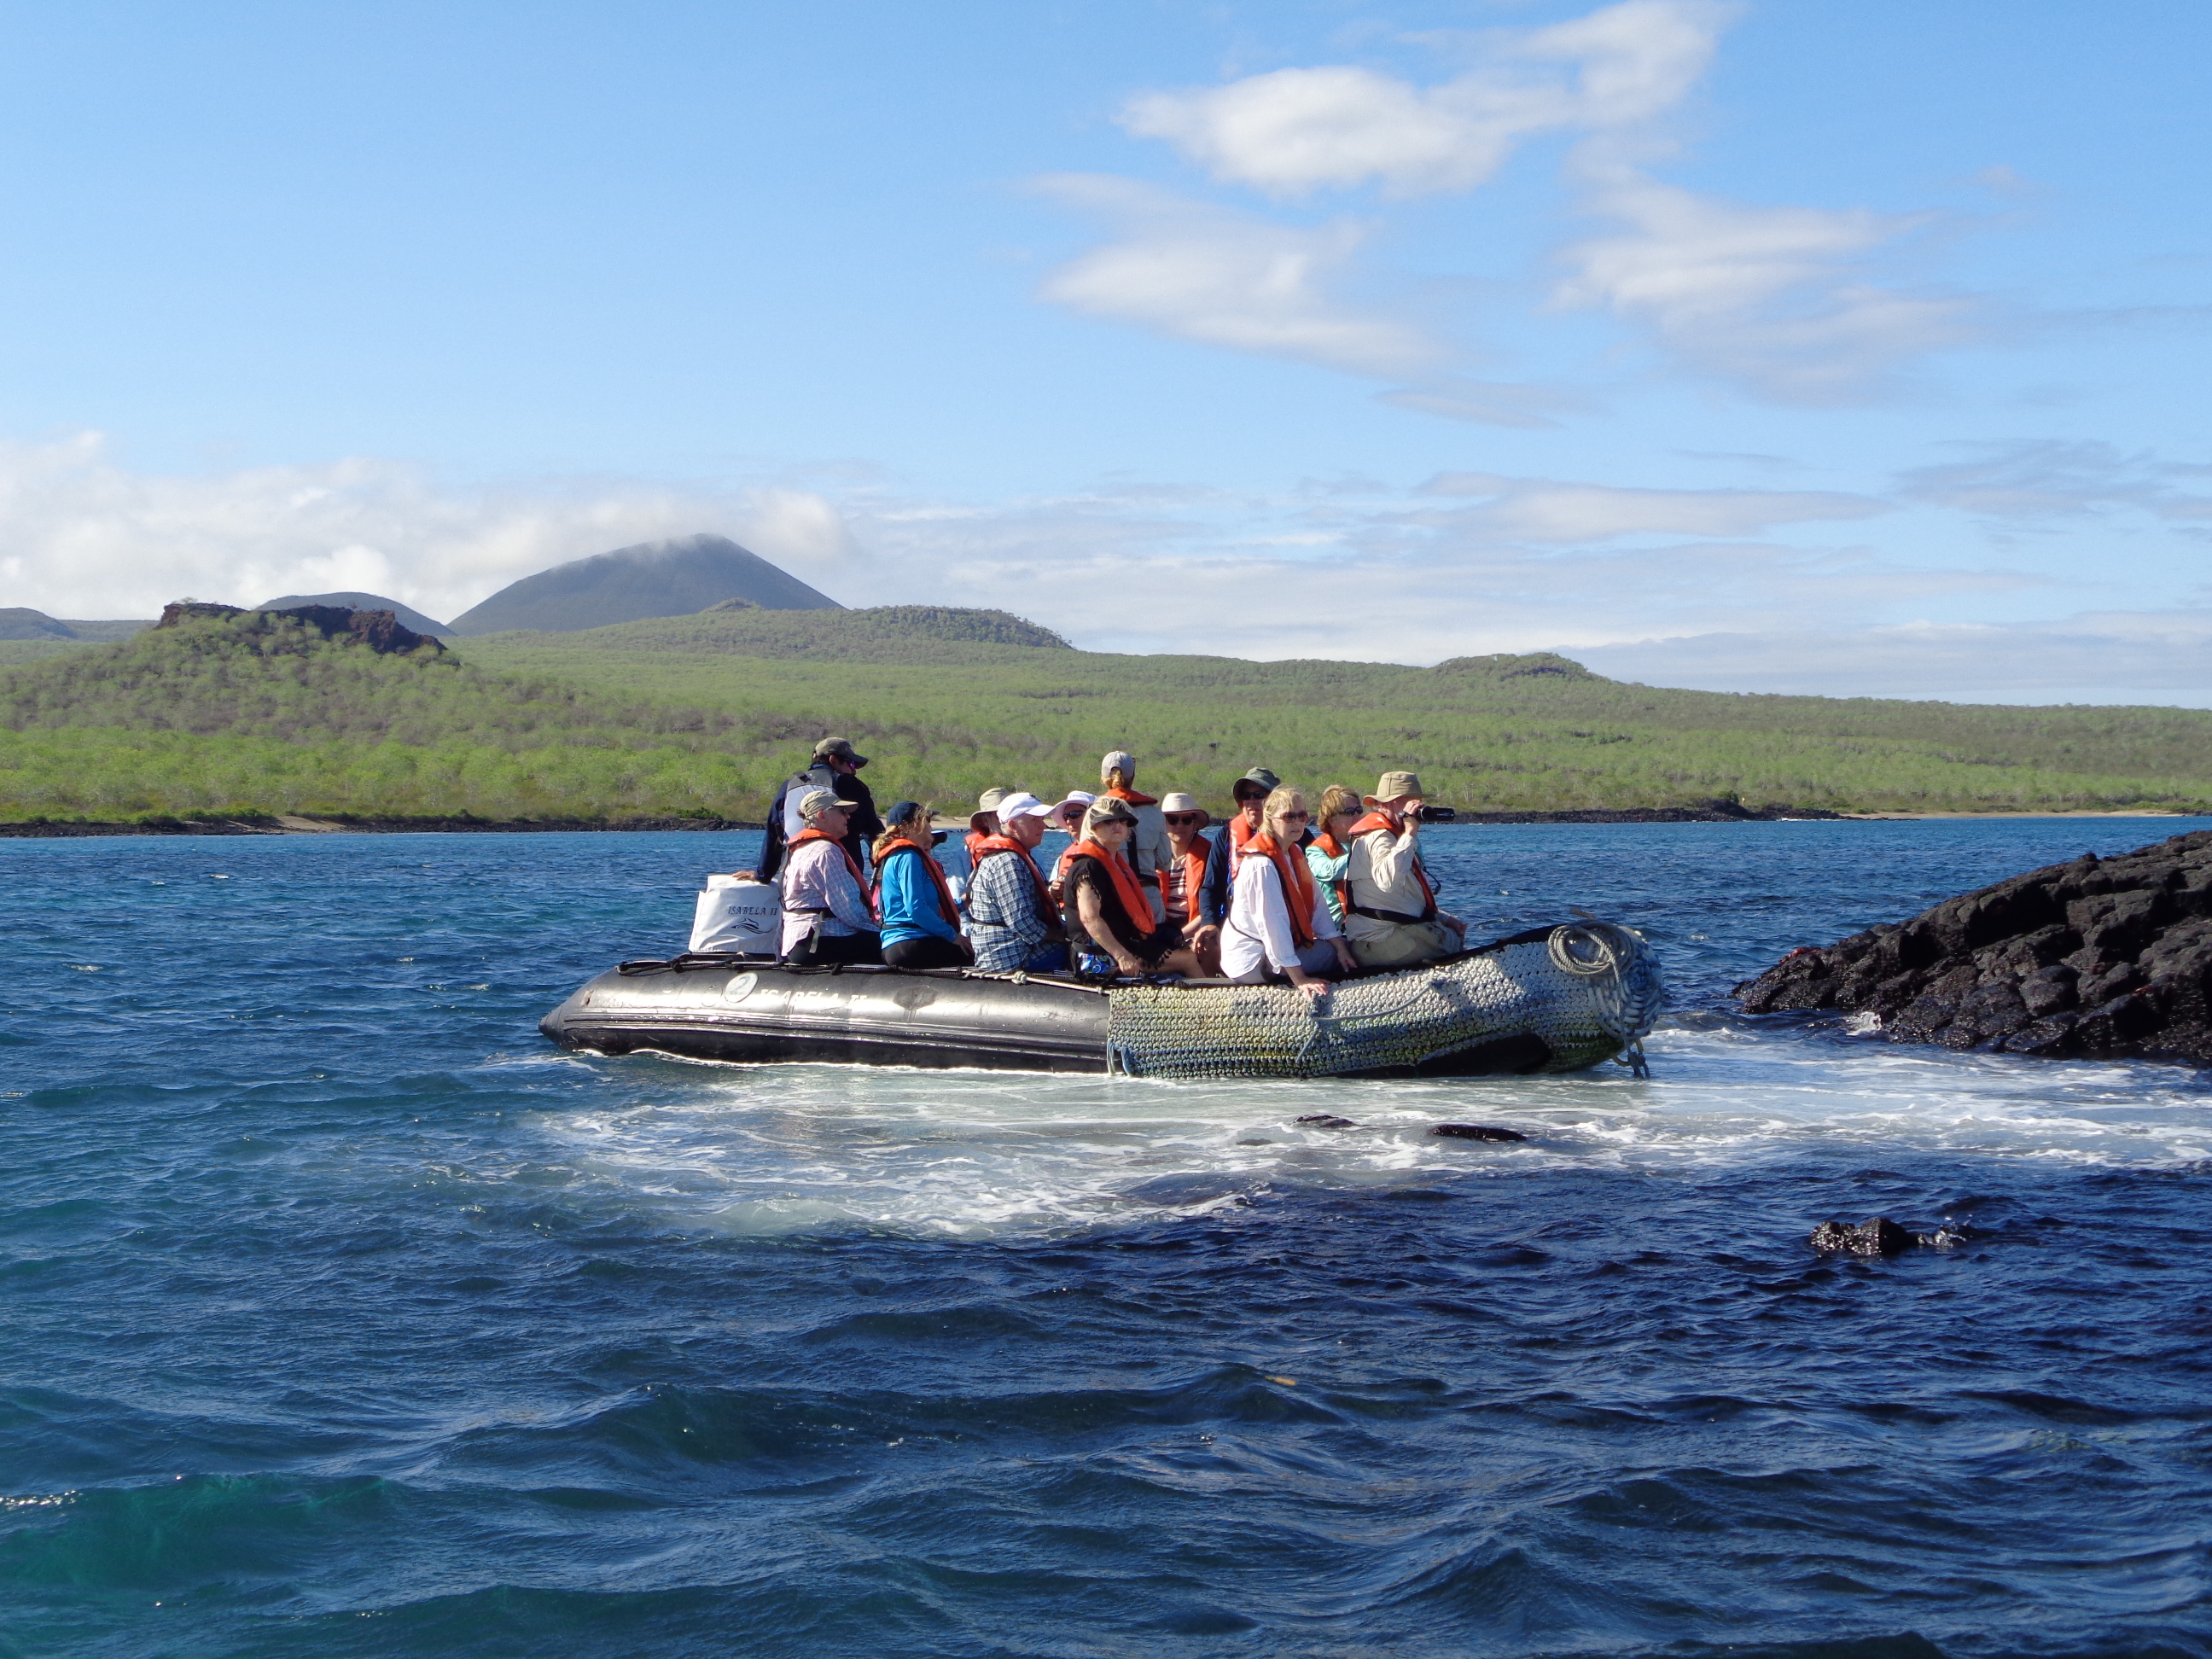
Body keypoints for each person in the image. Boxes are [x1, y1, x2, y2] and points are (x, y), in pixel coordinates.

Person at [1221, 786, 1355, 996]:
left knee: (1346, 948)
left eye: (1302, 816)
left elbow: (1319, 907)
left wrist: (1340, 947)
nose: (1297, 822)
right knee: (1349, 953)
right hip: (1253, 961)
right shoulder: (1261, 865)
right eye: (1289, 817)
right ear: (1270, 819)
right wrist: (1300, 979)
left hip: (1278, 950)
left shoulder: (1294, 853)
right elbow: (1272, 923)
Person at [1062, 798, 1203, 979]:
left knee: (1184, 951)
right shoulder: (1088, 867)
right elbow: (1089, 918)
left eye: (1123, 821)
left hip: (1124, 945)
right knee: (1187, 960)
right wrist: (1122, 956)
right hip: (1097, 956)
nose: (1117, 826)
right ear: (1094, 827)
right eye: (1108, 821)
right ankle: (1208, 1004)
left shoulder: (1111, 862)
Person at [1341, 771, 1467, 969]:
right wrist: (1410, 833)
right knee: (1447, 940)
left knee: (1450, 931)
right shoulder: (1378, 837)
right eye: (1410, 800)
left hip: (1387, 936)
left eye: (1418, 801)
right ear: (1388, 803)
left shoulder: (1392, 836)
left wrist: (1444, 918)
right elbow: (1388, 882)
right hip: (1378, 941)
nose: (1418, 806)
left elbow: (1404, 900)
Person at [964, 791, 1068, 974]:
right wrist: (1063, 935)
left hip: (1012, 947)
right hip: (1008, 955)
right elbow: (1023, 923)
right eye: (1035, 820)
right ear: (1013, 825)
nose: (1043, 826)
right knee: (1085, 949)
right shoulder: (1007, 862)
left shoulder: (1015, 856)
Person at [778, 788, 883, 966]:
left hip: (798, 942)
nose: (847, 817)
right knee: (892, 946)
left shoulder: (800, 849)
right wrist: (879, 930)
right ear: (822, 816)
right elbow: (849, 911)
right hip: (818, 940)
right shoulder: (825, 851)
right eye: (841, 812)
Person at [757, 737, 884, 882]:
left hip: (793, 878)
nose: (854, 770)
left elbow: (774, 833)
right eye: (851, 763)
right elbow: (874, 832)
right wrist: (880, 867)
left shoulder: (788, 786)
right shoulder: (849, 784)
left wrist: (763, 875)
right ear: (833, 760)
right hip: (840, 878)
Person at [872, 800, 972, 970]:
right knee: (980, 953)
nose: (930, 827)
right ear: (908, 827)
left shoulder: (900, 855)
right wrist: (954, 937)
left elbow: (925, 909)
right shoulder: (908, 856)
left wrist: (963, 902)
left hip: (902, 943)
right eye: (926, 821)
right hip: (910, 943)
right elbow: (916, 909)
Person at [1200, 766, 1281, 923]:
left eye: (1259, 795)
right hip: (1236, 923)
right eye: (1246, 796)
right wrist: (1209, 924)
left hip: (1280, 921)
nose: (1251, 802)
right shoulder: (1225, 836)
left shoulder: (1295, 836)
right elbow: (1210, 887)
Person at [1097, 750, 1172, 919]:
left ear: (1104, 778)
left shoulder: (1095, 813)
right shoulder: (1155, 813)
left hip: (1114, 897)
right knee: (1153, 944)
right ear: (1133, 776)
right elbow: (1164, 863)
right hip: (1150, 897)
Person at [1156, 790, 1220, 969]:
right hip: (1161, 929)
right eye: (1172, 820)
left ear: (1194, 823)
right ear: (1163, 824)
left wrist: (1182, 936)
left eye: (1186, 819)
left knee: (1209, 942)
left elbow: (1212, 906)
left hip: (1196, 926)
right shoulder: (1151, 856)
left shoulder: (1210, 854)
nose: (1179, 825)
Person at [1306, 784, 1362, 928]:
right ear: (1331, 819)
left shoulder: (1367, 843)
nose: (1357, 816)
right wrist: (1366, 851)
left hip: (1366, 924)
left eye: (1359, 810)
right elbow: (1329, 871)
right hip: (1335, 930)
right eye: (1349, 812)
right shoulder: (1315, 851)